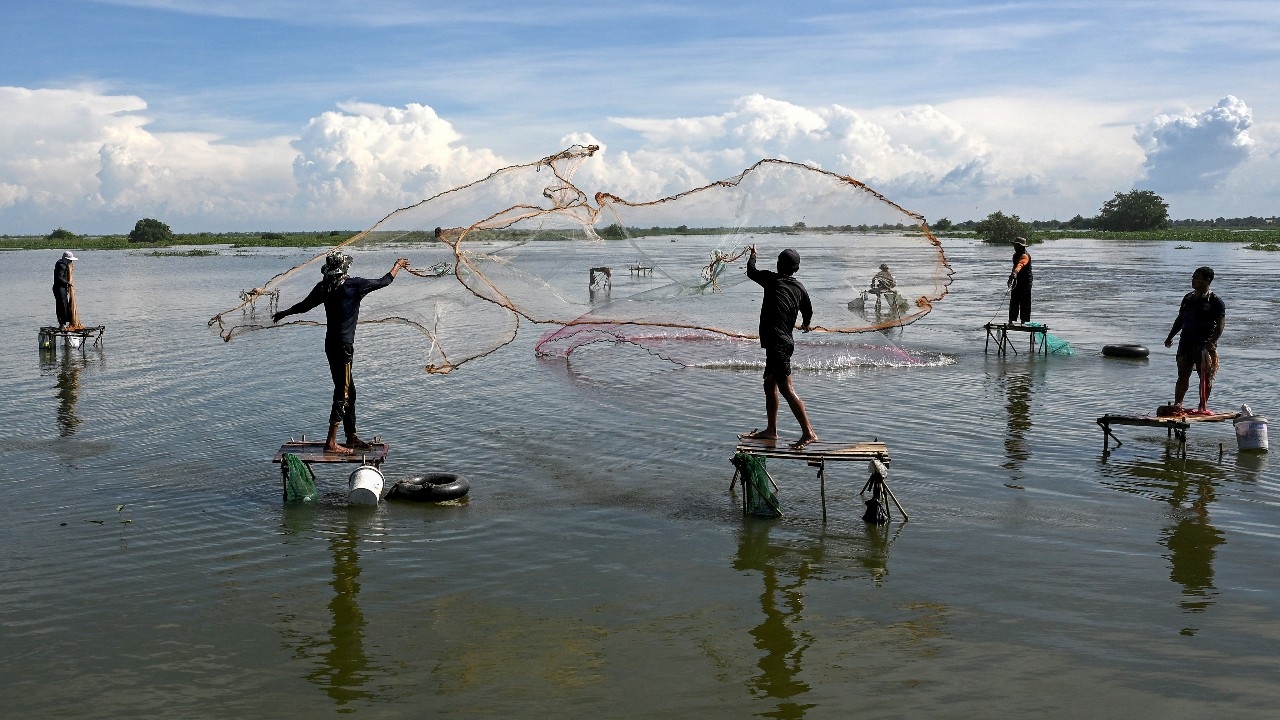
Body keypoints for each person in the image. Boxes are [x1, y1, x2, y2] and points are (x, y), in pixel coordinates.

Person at [273, 252, 410, 454]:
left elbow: (303, 306)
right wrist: (397, 265)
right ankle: (331, 442)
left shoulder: (324, 287)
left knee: (349, 391)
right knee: (343, 393)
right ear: (345, 268)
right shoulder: (353, 285)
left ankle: (351, 436)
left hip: (331, 345)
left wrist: (284, 313)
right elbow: (384, 281)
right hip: (344, 347)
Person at [741, 246, 818, 449]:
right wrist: (806, 324)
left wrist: (753, 255)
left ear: (778, 265)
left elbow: (751, 271)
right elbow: (808, 311)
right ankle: (771, 431)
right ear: (797, 269)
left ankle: (809, 433)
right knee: (769, 384)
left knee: (786, 388)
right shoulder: (799, 288)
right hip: (780, 343)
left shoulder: (771, 279)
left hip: (778, 345)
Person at [1164, 266, 1226, 415]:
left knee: (1204, 375)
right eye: (1193, 277)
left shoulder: (1215, 301)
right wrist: (1170, 336)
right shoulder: (1188, 298)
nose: (1194, 280)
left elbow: (1220, 324)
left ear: (1207, 280)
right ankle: (1179, 403)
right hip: (1186, 341)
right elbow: (1180, 320)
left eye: (1197, 278)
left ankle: (1202, 405)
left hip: (1204, 344)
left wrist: (1212, 341)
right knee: (1183, 374)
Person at [1007, 238, 1032, 324]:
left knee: (1025, 301)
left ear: (1021, 247)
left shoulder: (1025, 255)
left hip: (1026, 281)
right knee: (1014, 299)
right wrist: (1011, 277)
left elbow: (1020, 264)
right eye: (1015, 245)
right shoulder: (1015, 255)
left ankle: (1023, 321)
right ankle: (1011, 320)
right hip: (1017, 279)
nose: (1015, 247)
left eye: (1016, 245)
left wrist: (1015, 272)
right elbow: (1015, 266)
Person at [53, 251, 78, 329]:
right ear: (65, 259)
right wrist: (68, 283)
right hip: (59, 288)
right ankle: (62, 324)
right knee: (62, 305)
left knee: (64, 305)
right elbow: (59, 278)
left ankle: (64, 323)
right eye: (70, 260)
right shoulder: (61, 266)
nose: (71, 262)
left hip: (62, 288)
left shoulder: (62, 264)